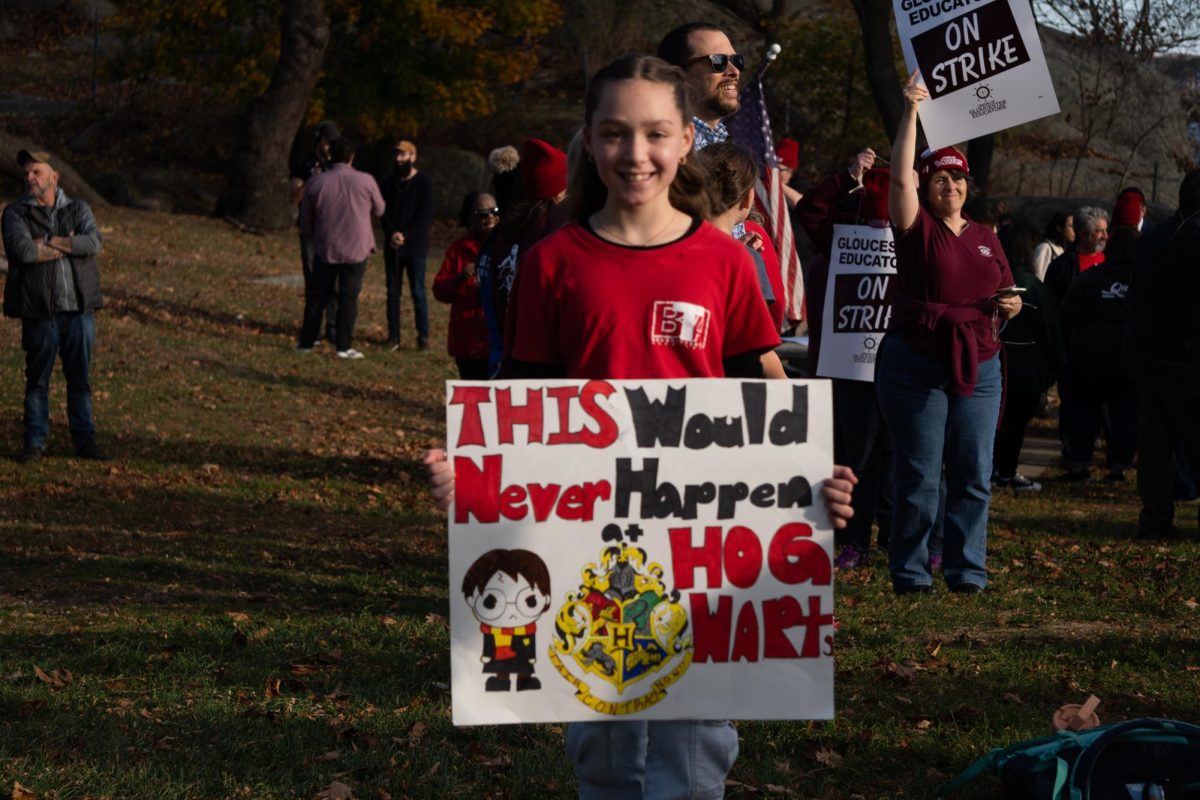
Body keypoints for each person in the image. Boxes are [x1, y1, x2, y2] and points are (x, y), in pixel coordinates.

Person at [426, 54, 856, 800]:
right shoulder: (553, 260)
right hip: (589, 538)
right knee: (603, 742)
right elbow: (522, 401)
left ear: (686, 138)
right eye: (616, 134)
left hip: (705, 546)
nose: (636, 153)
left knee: (694, 755)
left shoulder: (722, 260)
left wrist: (811, 479)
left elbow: (769, 396)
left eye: (655, 133)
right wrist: (473, 481)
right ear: (590, 143)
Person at [877, 71, 1021, 595]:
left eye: (958, 178)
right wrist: (912, 109)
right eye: (940, 177)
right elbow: (898, 180)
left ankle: (966, 572)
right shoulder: (915, 228)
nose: (951, 185)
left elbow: (1009, 292)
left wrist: (1012, 304)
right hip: (917, 364)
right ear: (926, 182)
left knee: (973, 474)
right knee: (920, 476)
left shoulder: (986, 237)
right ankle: (912, 575)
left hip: (980, 365)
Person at [793, 148, 902, 568]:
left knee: (895, 452)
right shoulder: (839, 236)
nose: (879, 229)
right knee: (859, 456)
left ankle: (892, 535)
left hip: (898, 364)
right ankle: (854, 539)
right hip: (851, 365)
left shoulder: (911, 235)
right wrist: (847, 176)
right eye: (871, 220)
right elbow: (809, 209)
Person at [2, 149, 107, 463]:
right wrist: (69, 243)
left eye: (37, 172)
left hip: (78, 310)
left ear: (54, 176)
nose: (30, 178)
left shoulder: (78, 208)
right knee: (37, 381)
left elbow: (94, 243)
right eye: (27, 174)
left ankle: (85, 442)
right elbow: (23, 252)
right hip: (40, 310)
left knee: (80, 380)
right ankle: (35, 442)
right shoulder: (15, 213)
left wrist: (48, 242)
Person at [1124, 169, 1200, 539]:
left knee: (1155, 442)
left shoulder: (1154, 236)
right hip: (1187, 359)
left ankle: (1154, 520)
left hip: (1147, 353)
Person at [477, 137, 569, 376]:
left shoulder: (503, 233)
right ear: (560, 192)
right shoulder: (558, 235)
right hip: (550, 362)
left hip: (512, 357)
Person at [1057, 225, 1138, 483]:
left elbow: (1066, 315)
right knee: (1124, 413)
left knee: (1083, 412)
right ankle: (1119, 466)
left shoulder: (1090, 278)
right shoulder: (1142, 281)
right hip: (1127, 359)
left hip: (1088, 357)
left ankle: (1079, 463)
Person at [296, 138, 385, 359]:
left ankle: (307, 340)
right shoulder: (366, 180)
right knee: (348, 297)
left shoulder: (316, 183)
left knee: (317, 296)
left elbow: (305, 219)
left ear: (329, 156)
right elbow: (380, 209)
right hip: (356, 247)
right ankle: (343, 345)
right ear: (352, 156)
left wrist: (311, 236)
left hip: (326, 246)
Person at [992, 223, 1065, 492]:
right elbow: (1049, 330)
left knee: (997, 425)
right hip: (1024, 371)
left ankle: (994, 469)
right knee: (1013, 426)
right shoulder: (1030, 285)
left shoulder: (992, 278)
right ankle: (1005, 472)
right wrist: (1058, 365)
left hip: (992, 366)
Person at [433, 192, 499, 379]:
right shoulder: (458, 250)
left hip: (497, 344)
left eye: (494, 211)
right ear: (471, 218)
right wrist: (460, 277)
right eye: (482, 214)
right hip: (467, 344)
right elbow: (439, 291)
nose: (489, 217)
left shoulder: (506, 248)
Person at [379, 139, 434, 350]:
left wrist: (406, 235)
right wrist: (392, 234)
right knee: (392, 292)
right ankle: (394, 336)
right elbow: (382, 211)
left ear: (412, 157)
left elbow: (425, 215)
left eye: (403, 155)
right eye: (396, 155)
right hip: (393, 246)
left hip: (416, 247)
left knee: (418, 292)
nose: (398, 159)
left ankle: (423, 337)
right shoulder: (387, 182)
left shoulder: (424, 182)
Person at [291, 120, 340, 344]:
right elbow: (293, 196)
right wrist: (312, 181)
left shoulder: (339, 166)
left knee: (335, 281)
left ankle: (332, 327)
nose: (329, 147)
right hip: (311, 231)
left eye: (333, 143)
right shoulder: (305, 165)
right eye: (327, 142)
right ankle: (313, 328)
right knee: (313, 280)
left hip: (334, 230)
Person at [1043, 205, 1108, 307]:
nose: (1105, 236)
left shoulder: (1111, 260)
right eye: (1099, 231)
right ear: (1083, 234)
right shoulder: (1062, 266)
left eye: (1106, 230)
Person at [1031, 212, 1074, 281]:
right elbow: (1037, 278)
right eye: (1071, 226)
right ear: (1059, 228)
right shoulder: (1045, 248)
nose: (1074, 230)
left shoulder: (1065, 250)